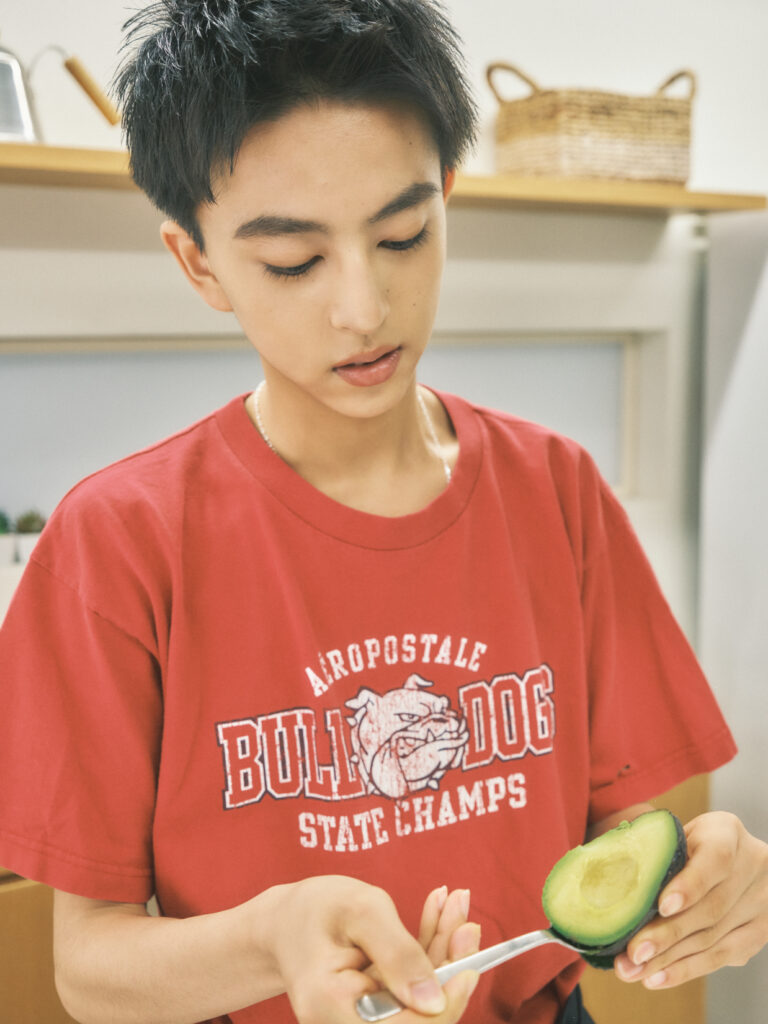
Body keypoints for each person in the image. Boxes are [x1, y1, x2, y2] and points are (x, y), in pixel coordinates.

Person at [0, 1, 766, 1022]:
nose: (364, 309)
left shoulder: (557, 488)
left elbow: (629, 830)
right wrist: (270, 940)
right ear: (198, 263)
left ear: (446, 196)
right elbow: (87, 968)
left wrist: (706, 882)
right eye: (293, 261)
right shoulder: (118, 543)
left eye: (403, 236)